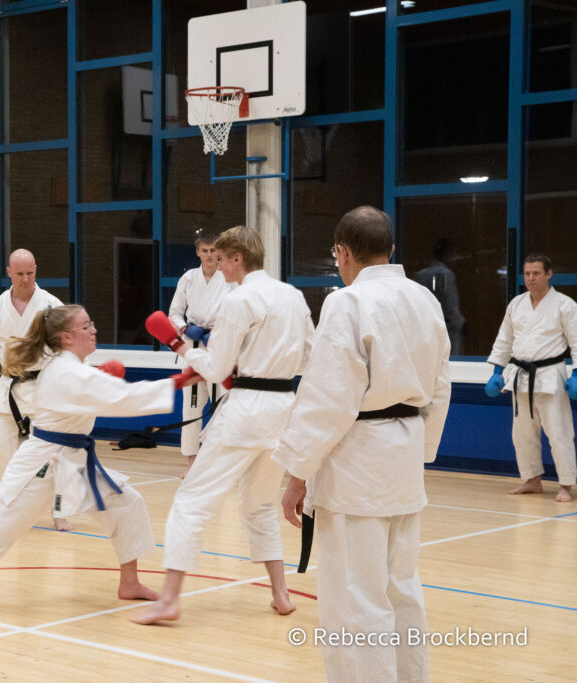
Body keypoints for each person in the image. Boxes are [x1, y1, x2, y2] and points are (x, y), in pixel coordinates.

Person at [0, 305, 198, 610]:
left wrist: (113, 378)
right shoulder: (67, 372)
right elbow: (125, 399)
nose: (94, 329)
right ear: (68, 337)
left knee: (128, 504)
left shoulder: (71, 369)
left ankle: (129, 583)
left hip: (71, 460)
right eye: (86, 326)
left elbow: (105, 396)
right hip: (41, 465)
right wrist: (186, 378)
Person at [272, 206, 451, 682]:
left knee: (357, 600)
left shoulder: (348, 303)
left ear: (343, 253)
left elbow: (328, 397)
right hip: (405, 456)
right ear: (391, 250)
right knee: (401, 591)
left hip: (357, 464)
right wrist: (420, 450)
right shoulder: (423, 300)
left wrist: (297, 475)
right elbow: (441, 385)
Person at [134, 225, 314, 625]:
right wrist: (258, 363)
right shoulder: (293, 296)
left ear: (237, 258)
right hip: (284, 407)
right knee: (259, 502)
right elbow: (307, 359)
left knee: (191, 500)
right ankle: (281, 595)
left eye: (221, 258)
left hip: (247, 408)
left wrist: (179, 347)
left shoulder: (240, 299)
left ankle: (168, 600)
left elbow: (215, 367)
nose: (216, 265)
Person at [0, 249, 64, 520]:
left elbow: (63, 351)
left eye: (30, 273)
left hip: (43, 385)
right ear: (8, 273)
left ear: (36, 270)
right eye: (20, 274)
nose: (25, 279)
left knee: (52, 453)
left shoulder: (51, 306)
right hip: (8, 386)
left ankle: (58, 510)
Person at [485, 253, 577, 503]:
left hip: (550, 376)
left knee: (559, 433)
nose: (531, 278)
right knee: (522, 434)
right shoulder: (516, 304)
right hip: (520, 376)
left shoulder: (565, 305)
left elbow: (576, 341)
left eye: (536, 273)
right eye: (527, 273)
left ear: (548, 274)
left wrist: (576, 373)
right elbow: (504, 340)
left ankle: (566, 485)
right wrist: (496, 372)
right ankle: (532, 480)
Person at [168, 230, 235, 476]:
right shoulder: (188, 278)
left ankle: (217, 460)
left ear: (220, 251)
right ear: (197, 252)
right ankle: (192, 461)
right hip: (193, 345)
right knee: (192, 406)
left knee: (221, 405)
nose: (209, 256)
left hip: (218, 346)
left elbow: (236, 313)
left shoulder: (229, 278)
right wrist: (185, 328)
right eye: (204, 251)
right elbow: (173, 313)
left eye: (213, 251)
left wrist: (218, 331)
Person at [413, 238, 465, 355]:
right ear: (448, 254)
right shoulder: (445, 274)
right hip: (446, 328)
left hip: (424, 328)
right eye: (455, 254)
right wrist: (461, 323)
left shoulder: (420, 275)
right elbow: (450, 306)